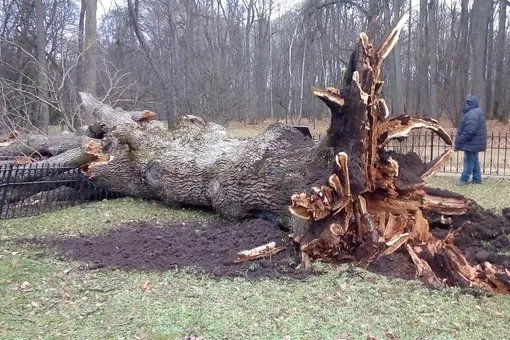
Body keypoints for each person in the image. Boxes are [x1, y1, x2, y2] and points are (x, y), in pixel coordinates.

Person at [454, 95, 487, 185]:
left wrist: (461, 139)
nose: (466, 105)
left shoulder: (472, 114)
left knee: (469, 161)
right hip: (474, 142)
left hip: (471, 143)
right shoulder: (476, 112)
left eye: (467, 103)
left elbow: (469, 130)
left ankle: (464, 179)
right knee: (474, 160)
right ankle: (477, 179)